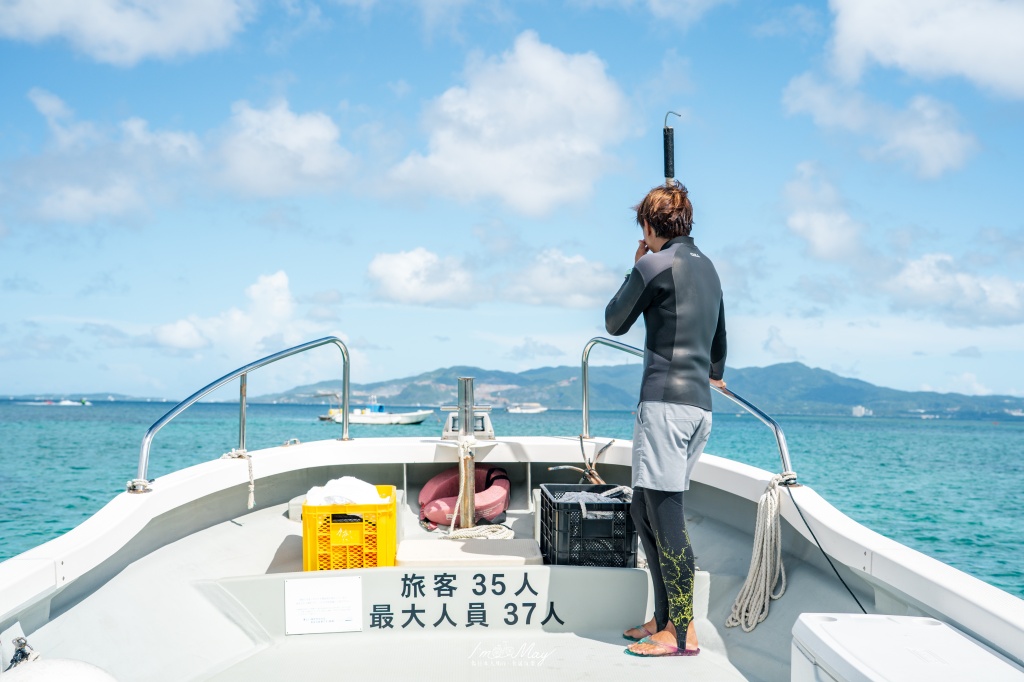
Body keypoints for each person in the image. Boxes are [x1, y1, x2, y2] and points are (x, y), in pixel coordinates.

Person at [605, 181, 727, 657]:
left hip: (664, 407)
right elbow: (719, 345)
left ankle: (682, 632)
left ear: (649, 225)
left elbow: (615, 320)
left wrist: (637, 263)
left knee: (666, 517)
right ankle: (664, 618)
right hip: (698, 408)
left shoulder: (654, 264)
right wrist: (710, 375)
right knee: (644, 509)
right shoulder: (710, 269)